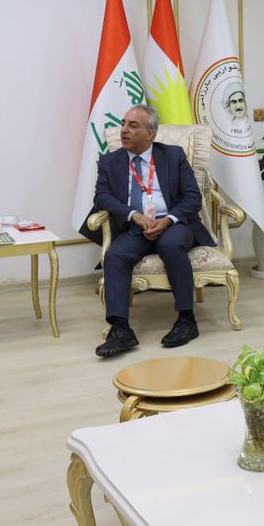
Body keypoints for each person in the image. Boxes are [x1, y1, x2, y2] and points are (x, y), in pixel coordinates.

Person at [93, 104, 216, 356]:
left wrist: (168, 220)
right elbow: (102, 197)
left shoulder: (173, 155)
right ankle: (120, 328)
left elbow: (192, 197)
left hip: (174, 224)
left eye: (133, 125)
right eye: (124, 123)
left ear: (151, 133)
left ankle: (186, 319)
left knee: (169, 244)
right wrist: (133, 215)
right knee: (115, 255)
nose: (124, 130)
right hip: (135, 226)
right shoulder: (110, 161)